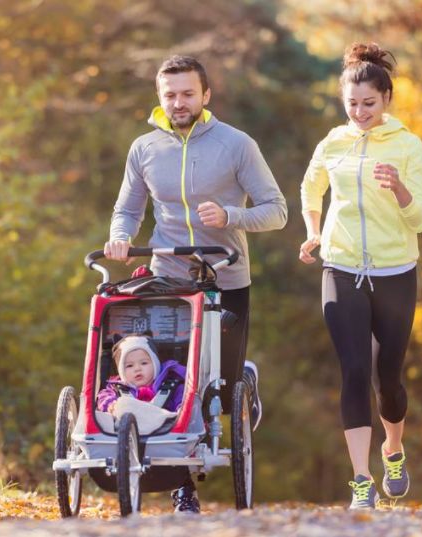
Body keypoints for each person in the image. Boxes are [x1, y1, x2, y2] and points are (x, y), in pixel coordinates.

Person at [104, 55, 288, 513]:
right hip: (168, 279)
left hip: (225, 275)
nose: (178, 102)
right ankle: (184, 487)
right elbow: (127, 209)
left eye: (188, 93)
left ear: (206, 96)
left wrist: (231, 216)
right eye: (170, 95)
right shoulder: (144, 148)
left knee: (221, 393)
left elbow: (276, 210)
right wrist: (121, 237)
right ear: (159, 98)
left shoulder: (236, 145)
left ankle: (241, 376)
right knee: (172, 384)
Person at [299, 43, 422, 509]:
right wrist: (314, 232)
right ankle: (361, 481)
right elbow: (310, 185)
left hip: (396, 272)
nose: (359, 112)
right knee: (354, 371)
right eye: (352, 103)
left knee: (387, 379)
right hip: (341, 266)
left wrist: (397, 187)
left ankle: (392, 449)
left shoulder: (408, 146)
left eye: (369, 104)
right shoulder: (332, 142)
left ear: (387, 100)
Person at [96, 334, 185, 415]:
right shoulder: (115, 389)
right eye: (130, 366)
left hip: (167, 430)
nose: (137, 369)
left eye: (144, 363)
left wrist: (181, 408)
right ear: (122, 371)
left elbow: (183, 401)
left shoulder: (173, 387)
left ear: (155, 365)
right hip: (128, 429)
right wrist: (111, 405)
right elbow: (103, 397)